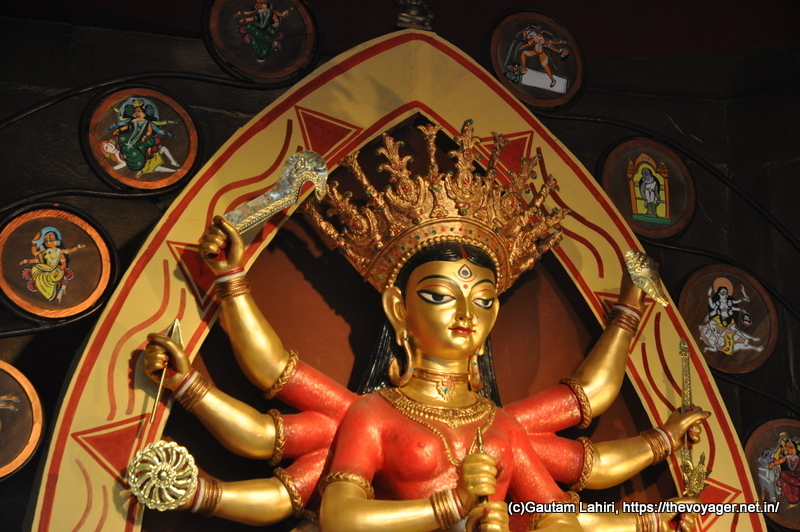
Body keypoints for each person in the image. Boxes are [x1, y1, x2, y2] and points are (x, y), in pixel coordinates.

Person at [142, 121, 708, 531]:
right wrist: (228, 287)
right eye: (439, 295)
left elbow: (561, 506)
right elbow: (339, 514)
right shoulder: (373, 414)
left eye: (484, 301)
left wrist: (658, 514)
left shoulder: (501, 427)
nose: (466, 315)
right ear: (398, 309)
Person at [18, 227, 86, 303]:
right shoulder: (45, 252)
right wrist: (26, 259)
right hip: (46, 269)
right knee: (36, 270)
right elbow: (35, 256)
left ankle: (57, 291)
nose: (48, 242)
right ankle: (50, 292)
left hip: (56, 270)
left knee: (51, 276)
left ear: (56, 241)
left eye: (51, 240)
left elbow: (65, 261)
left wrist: (79, 247)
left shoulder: (59, 252)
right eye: (46, 240)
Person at [771, 438, 800, 508]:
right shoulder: (786, 457)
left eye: (790, 447)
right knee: (782, 476)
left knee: (782, 475)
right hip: (789, 476)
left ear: (795, 449)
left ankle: (794, 500)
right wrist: (772, 464)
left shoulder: (798, 458)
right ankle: (792, 501)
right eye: (786, 447)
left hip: (798, 477)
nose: (788, 449)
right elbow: (780, 461)